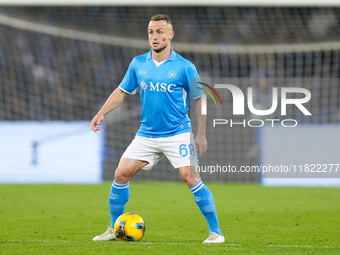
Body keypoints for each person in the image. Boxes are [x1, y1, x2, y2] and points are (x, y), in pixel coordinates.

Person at [90, 14, 224, 244]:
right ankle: (113, 228)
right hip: (147, 134)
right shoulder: (138, 64)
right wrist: (102, 112)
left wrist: (200, 134)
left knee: (190, 177)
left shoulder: (185, 67)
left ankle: (216, 232)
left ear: (170, 35)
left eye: (160, 31)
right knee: (120, 174)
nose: (155, 36)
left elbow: (199, 99)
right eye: (151, 32)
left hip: (178, 133)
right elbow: (122, 91)